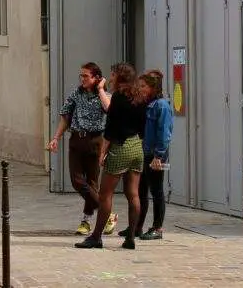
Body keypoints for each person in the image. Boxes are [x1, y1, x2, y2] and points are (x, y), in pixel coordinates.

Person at [76, 63, 146, 250]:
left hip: (120, 146)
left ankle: (96, 236)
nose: (111, 78)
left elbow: (111, 129)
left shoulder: (118, 98)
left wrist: (103, 152)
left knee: (105, 194)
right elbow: (142, 126)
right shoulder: (140, 97)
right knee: (133, 194)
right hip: (136, 146)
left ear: (120, 76)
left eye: (113, 74)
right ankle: (131, 236)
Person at [48, 62, 114, 236]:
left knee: (93, 182)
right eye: (81, 75)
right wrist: (56, 137)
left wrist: (100, 89)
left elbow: (109, 109)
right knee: (77, 181)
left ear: (96, 78)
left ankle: (86, 221)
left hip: (95, 140)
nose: (82, 79)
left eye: (86, 76)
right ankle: (107, 213)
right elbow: (65, 117)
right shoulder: (76, 94)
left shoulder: (105, 95)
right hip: (77, 139)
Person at [122, 70, 173, 240]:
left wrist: (158, 156)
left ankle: (157, 228)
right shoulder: (147, 105)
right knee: (140, 190)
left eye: (143, 86)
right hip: (144, 152)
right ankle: (136, 226)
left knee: (157, 190)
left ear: (153, 87)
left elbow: (164, 133)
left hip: (156, 155)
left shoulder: (161, 105)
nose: (140, 89)